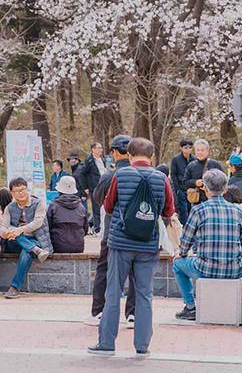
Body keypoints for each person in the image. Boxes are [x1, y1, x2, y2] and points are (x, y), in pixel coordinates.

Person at [88, 138, 174, 358]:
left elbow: (107, 205)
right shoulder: (162, 178)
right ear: (152, 156)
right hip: (148, 243)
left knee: (113, 291)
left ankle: (106, 343)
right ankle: (142, 345)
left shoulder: (120, 175)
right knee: (145, 294)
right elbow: (168, 211)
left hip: (120, 243)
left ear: (129, 155)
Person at [173, 170, 242, 321]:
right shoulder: (237, 211)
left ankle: (190, 307)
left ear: (205, 188)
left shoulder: (198, 210)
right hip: (234, 269)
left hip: (205, 269)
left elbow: (185, 242)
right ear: (225, 189)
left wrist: (182, 253)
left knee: (177, 264)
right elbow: (241, 241)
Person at [86, 134, 136, 328]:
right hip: (136, 233)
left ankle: (98, 311)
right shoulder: (143, 173)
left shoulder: (109, 175)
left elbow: (98, 199)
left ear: (114, 153)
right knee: (134, 272)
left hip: (113, 232)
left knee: (104, 270)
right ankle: (132, 314)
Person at [0, 177, 53, 299]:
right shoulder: (9, 207)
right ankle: (36, 251)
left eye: (23, 189)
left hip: (36, 240)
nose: (21, 193)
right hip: (15, 242)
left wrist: (19, 230)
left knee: (26, 252)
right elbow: (2, 229)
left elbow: (37, 223)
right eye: (17, 191)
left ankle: (14, 287)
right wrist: (10, 232)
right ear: (12, 193)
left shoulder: (38, 203)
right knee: (14, 232)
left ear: (27, 189)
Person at [47, 176, 88, 253]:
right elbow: (85, 229)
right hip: (78, 246)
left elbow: (48, 227)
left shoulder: (53, 206)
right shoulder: (81, 207)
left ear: (59, 190)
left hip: (57, 246)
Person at [183, 139, 224, 207]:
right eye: (198, 150)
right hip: (197, 202)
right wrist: (195, 182)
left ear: (207, 151)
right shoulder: (191, 166)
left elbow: (223, 182)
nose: (200, 152)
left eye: (202, 150)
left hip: (214, 201)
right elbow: (184, 182)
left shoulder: (216, 165)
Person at [77, 142, 107, 234]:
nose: (100, 150)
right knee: (96, 207)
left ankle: (103, 226)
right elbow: (81, 174)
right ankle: (97, 228)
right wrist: (85, 187)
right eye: (98, 148)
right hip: (95, 187)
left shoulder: (103, 159)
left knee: (104, 206)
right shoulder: (89, 161)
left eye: (101, 148)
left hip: (104, 185)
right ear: (93, 149)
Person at [170, 139, 195, 225]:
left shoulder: (194, 159)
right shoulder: (176, 159)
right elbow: (173, 174)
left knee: (190, 208)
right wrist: (177, 189)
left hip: (191, 188)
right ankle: (185, 227)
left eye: (190, 147)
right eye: (185, 147)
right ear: (181, 148)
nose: (188, 149)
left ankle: (192, 227)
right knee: (183, 210)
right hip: (180, 188)